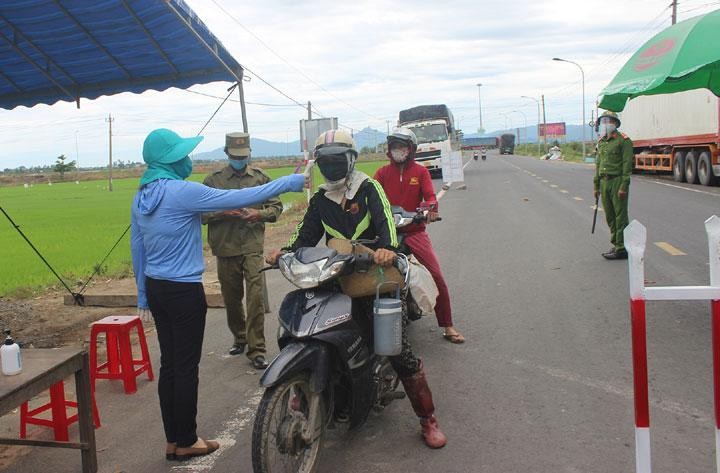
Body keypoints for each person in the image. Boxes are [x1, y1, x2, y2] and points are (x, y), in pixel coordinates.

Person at [266, 129, 447, 449]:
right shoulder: (321, 198)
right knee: (311, 323)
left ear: (350, 160)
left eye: (338, 160)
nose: (331, 167)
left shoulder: (369, 188)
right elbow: (305, 235)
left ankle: (427, 418)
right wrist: (284, 251)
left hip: (374, 272)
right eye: (325, 161)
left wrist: (388, 248)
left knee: (395, 347)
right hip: (337, 271)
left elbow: (387, 224)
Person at [131, 128, 304, 461]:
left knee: (170, 365)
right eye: (181, 155)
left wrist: (142, 297)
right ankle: (186, 440)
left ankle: (173, 438)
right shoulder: (180, 191)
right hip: (182, 290)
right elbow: (234, 199)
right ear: (170, 160)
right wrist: (287, 183)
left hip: (156, 287)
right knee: (185, 367)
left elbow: (138, 248)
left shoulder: (141, 195)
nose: (187, 159)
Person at [374, 127, 465, 344]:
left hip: (414, 232)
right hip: (386, 233)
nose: (398, 150)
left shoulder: (420, 172)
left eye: (402, 146)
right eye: (394, 146)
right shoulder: (382, 173)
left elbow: (430, 196)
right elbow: (371, 195)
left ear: (411, 149)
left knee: (436, 275)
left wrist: (429, 209)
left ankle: (447, 325)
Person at [202, 133, 282, 370]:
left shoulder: (260, 179)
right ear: (227, 154)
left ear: (249, 154)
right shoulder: (213, 181)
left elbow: (276, 207)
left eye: (244, 157)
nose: (240, 160)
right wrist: (223, 212)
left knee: (256, 298)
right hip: (225, 248)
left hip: (252, 247)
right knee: (232, 298)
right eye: (236, 157)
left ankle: (256, 349)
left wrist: (258, 214)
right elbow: (201, 214)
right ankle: (240, 337)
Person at [593, 111, 633, 260]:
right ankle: (616, 243)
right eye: (602, 121)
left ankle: (622, 247)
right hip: (604, 182)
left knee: (620, 216)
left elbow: (627, 165)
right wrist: (596, 186)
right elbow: (598, 165)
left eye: (608, 121)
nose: (605, 123)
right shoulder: (602, 141)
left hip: (617, 181)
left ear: (615, 123)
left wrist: (624, 185)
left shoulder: (623, 141)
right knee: (610, 216)